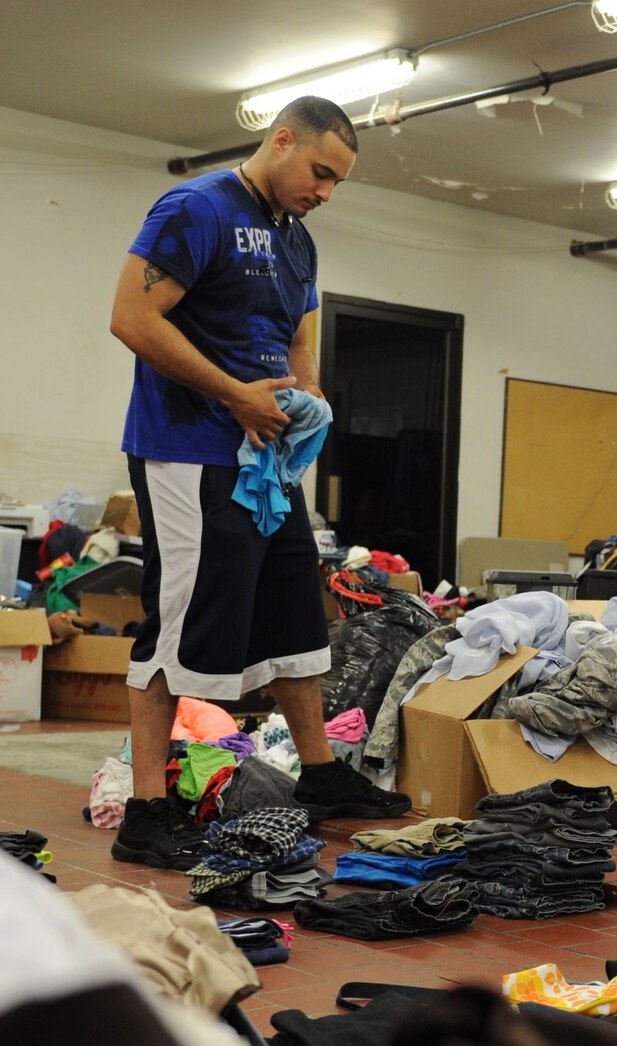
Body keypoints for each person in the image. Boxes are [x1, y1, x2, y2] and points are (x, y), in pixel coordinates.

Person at [106, 95, 407, 869]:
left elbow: (298, 339)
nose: (325, 192)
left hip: (265, 459)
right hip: (187, 448)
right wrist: (232, 394)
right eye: (319, 172)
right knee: (178, 622)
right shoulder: (195, 206)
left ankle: (320, 774)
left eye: (338, 182)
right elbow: (134, 320)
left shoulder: (298, 242)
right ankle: (146, 810)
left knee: (292, 614)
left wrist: (304, 394)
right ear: (280, 142)